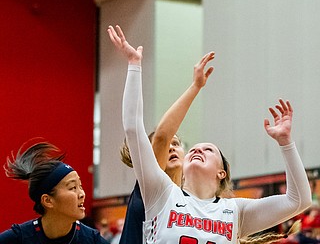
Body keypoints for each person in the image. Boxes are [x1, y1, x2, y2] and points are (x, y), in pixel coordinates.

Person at [116, 23, 312, 243]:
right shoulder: (161, 193)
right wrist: (134, 65)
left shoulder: (236, 211)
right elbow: (133, 128)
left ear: (222, 173)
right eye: (193, 149)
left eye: (208, 149)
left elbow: (299, 200)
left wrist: (286, 143)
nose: (198, 149)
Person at [107, 25, 214, 244]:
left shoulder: (194, 201)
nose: (172, 147)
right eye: (168, 146)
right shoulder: (151, 185)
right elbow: (162, 135)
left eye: (178, 144)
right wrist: (195, 86)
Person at [0, 138, 110, 244]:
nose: (82, 194)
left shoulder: (92, 239)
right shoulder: (20, 238)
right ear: (47, 200)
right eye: (72, 188)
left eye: (80, 186)